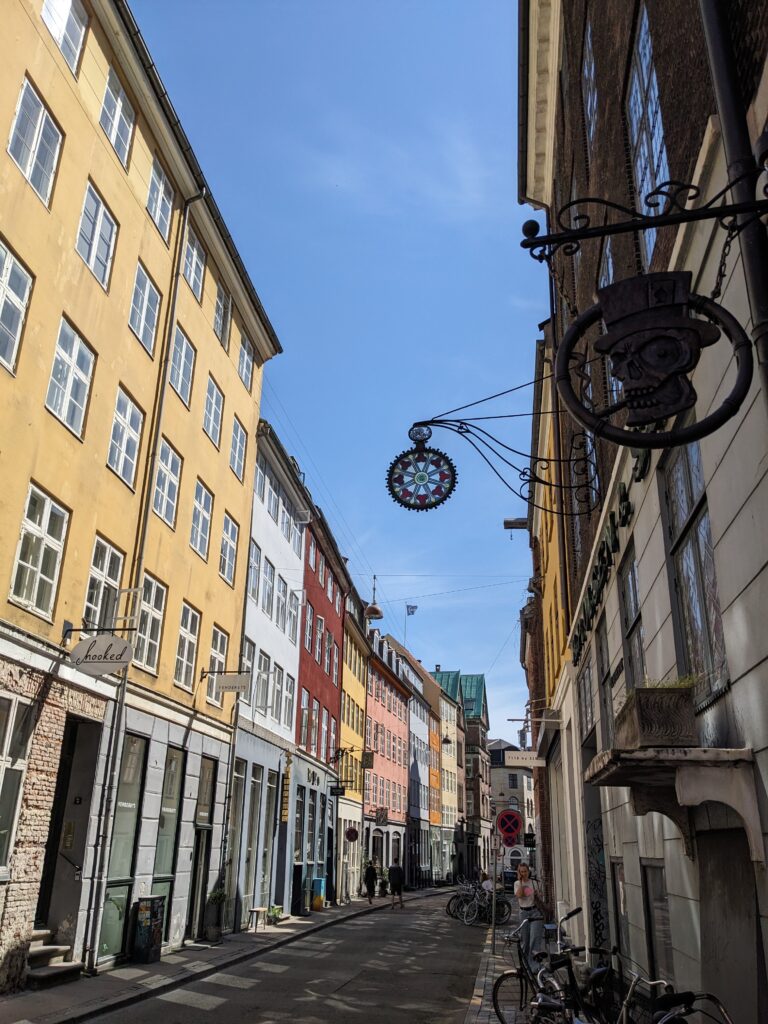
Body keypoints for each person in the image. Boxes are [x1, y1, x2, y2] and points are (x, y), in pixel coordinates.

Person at [514, 863, 544, 969]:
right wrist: (522, 882)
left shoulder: (535, 883)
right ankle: (524, 964)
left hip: (535, 911)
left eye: (525, 871)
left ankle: (534, 965)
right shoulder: (517, 883)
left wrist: (538, 894)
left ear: (528, 871)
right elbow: (519, 895)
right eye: (521, 872)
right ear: (519, 873)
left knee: (535, 938)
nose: (524, 873)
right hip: (524, 913)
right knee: (525, 940)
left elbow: (541, 897)